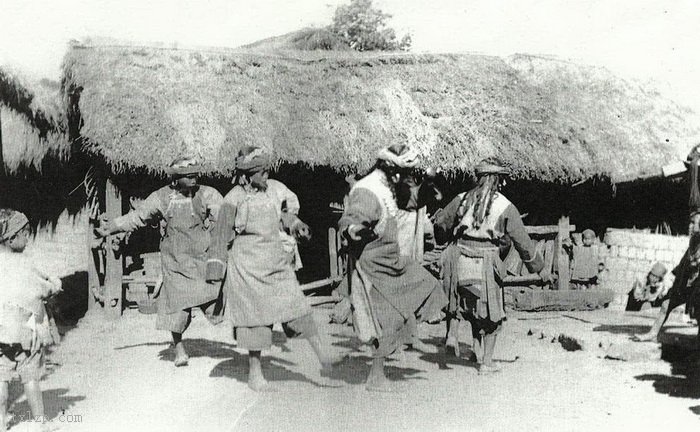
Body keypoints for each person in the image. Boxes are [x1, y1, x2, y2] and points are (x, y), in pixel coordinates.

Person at [208, 146, 340, 391]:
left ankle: (324, 356)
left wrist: (296, 223)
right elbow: (220, 236)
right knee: (255, 321)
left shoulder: (275, 190)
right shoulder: (233, 199)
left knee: (297, 305)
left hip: (275, 262)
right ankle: (255, 375)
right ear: (247, 175)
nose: (266, 176)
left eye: (267, 171)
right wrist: (215, 271)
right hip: (248, 267)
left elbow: (284, 217)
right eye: (261, 173)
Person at [96, 156, 224, 367]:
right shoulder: (161, 198)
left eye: (195, 176)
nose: (193, 180)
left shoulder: (207, 194)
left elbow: (224, 215)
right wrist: (112, 227)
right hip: (175, 262)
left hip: (201, 260)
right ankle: (179, 349)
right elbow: (137, 217)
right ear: (176, 179)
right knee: (177, 309)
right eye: (188, 177)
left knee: (214, 299)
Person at [338, 144, 447, 392]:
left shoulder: (389, 186)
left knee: (425, 284)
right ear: (389, 168)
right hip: (373, 263)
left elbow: (412, 201)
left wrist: (429, 183)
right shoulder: (368, 189)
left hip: (391, 259)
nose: (405, 176)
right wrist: (354, 230)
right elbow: (352, 218)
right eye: (401, 171)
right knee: (387, 317)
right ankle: (376, 377)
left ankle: (379, 371)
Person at [434, 158, 547, 373]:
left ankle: (461, 341)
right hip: (486, 261)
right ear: (498, 180)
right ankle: (486, 363)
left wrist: (449, 236)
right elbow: (523, 242)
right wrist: (540, 269)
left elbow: (440, 223)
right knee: (492, 314)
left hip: (459, 258)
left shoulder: (461, 198)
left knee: (466, 304)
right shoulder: (505, 206)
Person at [0, 209, 62, 431]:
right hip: (25, 331)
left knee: (1, 378)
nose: (28, 238)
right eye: (25, 234)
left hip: (1, 331)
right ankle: (39, 422)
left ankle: (1, 421)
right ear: (12, 238)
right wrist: (54, 285)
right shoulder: (24, 265)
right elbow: (42, 289)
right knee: (30, 376)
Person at [633, 212, 700, 342]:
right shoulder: (693, 242)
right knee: (665, 305)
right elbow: (683, 264)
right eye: (690, 222)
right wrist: (671, 278)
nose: (690, 226)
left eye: (694, 223)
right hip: (687, 284)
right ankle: (653, 333)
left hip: (698, 286)